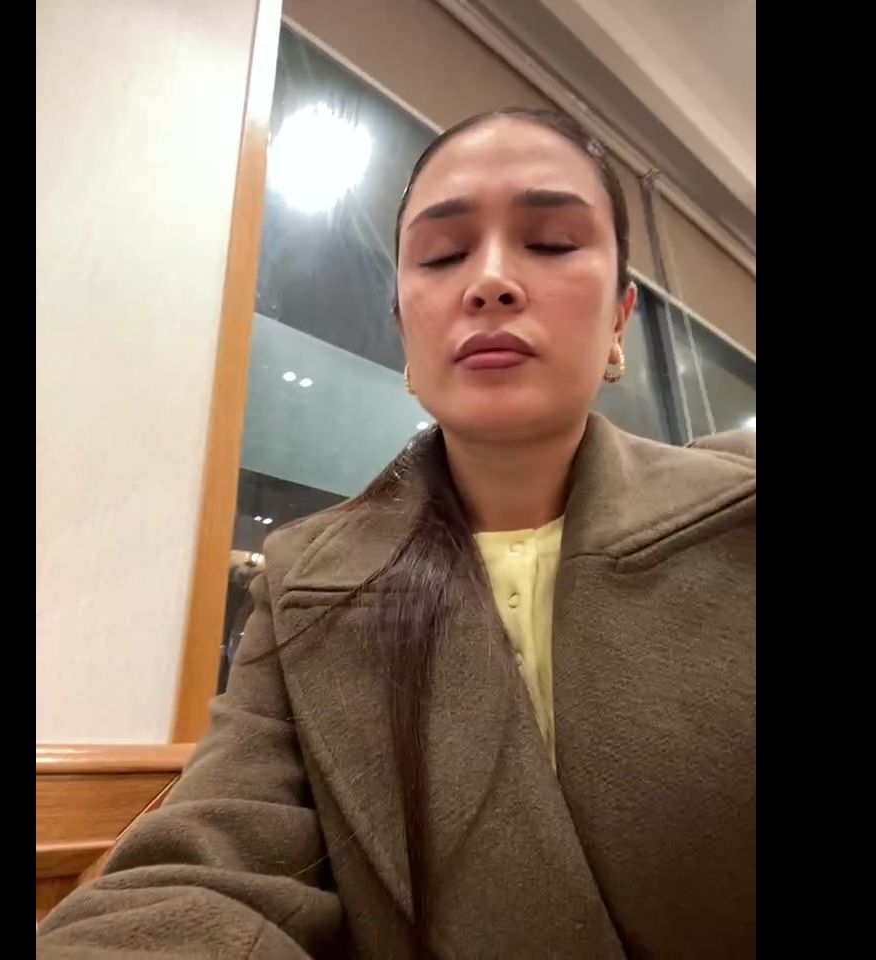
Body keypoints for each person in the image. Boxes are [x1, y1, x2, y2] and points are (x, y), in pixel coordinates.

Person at [37, 108, 755, 959]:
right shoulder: (302, 580)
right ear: (406, 334)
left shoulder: (738, 524)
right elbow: (212, 868)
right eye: (444, 255)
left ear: (619, 321)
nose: (491, 281)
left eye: (552, 242)